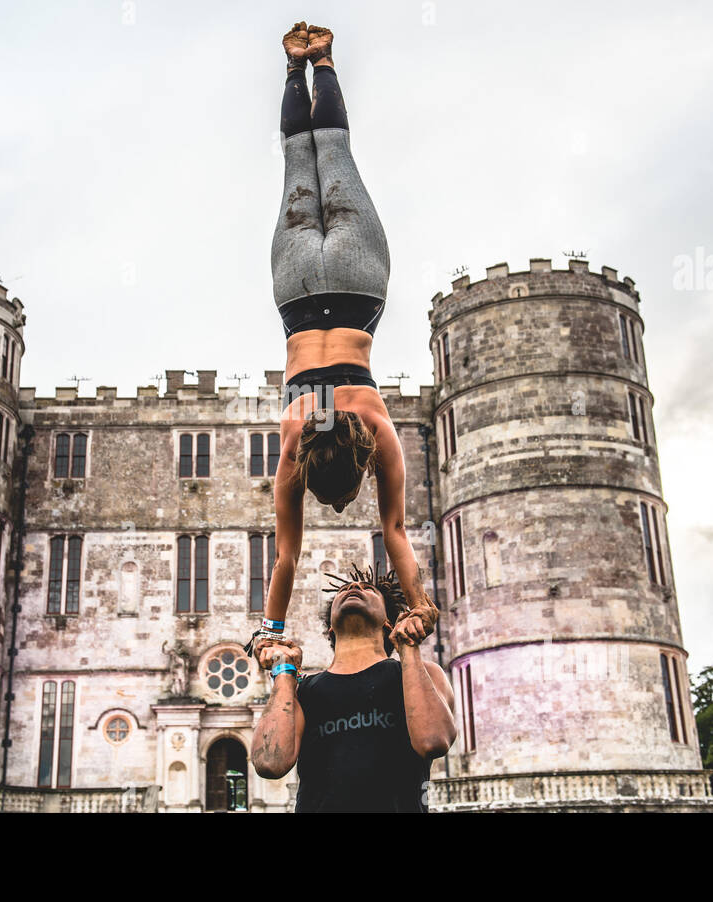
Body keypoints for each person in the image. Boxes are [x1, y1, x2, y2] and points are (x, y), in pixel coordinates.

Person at [247, 22, 438, 659]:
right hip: (298, 296)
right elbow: (285, 562)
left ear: (357, 470)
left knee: (335, 151)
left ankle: (321, 60)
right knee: (298, 160)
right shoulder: (294, 439)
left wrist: (421, 606)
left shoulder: (376, 426)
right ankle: (291, 68)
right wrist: (268, 635)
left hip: (358, 290)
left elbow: (395, 533)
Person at [250, 564, 457, 812]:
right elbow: (269, 763)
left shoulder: (422, 673)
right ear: (330, 628)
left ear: (389, 624)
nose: (354, 587)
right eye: (344, 590)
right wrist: (284, 673)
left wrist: (409, 647)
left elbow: (433, 741)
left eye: (368, 589)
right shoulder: (302, 691)